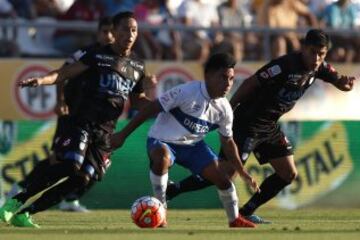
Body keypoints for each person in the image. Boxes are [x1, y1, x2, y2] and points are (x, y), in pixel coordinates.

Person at [165, 29, 357, 224]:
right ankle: (173, 190)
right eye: (312, 52)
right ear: (303, 49)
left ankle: (247, 211)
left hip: (269, 126)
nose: (316, 58)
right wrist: (230, 109)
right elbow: (251, 82)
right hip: (247, 122)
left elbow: (338, 80)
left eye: (321, 53)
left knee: (288, 173)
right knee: (224, 174)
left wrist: (344, 84)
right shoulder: (285, 65)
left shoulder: (320, 67)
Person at [0, 11, 151, 228]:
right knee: (70, 165)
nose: (130, 34)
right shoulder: (97, 56)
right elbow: (63, 73)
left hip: (105, 132)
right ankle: (16, 201)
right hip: (82, 122)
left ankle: (26, 213)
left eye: (134, 30)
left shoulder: (137, 66)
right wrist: (42, 80)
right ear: (115, 32)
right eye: (125, 29)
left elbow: (138, 101)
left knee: (83, 178)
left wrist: (159, 106)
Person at [111, 53, 260, 228]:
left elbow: (228, 142)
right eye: (223, 77)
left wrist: (242, 172)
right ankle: (161, 211)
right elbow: (150, 109)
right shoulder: (186, 91)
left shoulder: (224, 108)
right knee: (162, 159)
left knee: (223, 179)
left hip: (193, 147)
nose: (228, 84)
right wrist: (123, 134)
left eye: (232, 79)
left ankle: (234, 219)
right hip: (163, 140)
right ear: (208, 76)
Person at [6, 16, 116, 213]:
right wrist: (60, 101)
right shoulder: (87, 53)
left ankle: (70, 199)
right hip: (73, 113)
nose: (108, 36)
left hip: (98, 123)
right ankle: (21, 188)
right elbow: (62, 75)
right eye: (104, 31)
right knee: (59, 157)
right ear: (97, 33)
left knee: (94, 165)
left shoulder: (122, 61)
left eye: (111, 32)